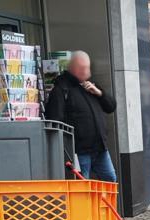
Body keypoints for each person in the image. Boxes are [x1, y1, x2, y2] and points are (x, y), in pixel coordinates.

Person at [44, 50, 118, 182]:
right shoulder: (61, 89)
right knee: (83, 184)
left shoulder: (90, 85)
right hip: (79, 151)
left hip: (100, 148)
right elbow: (55, 121)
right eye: (81, 68)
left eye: (87, 68)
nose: (85, 71)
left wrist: (100, 94)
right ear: (72, 68)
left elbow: (111, 106)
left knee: (110, 179)